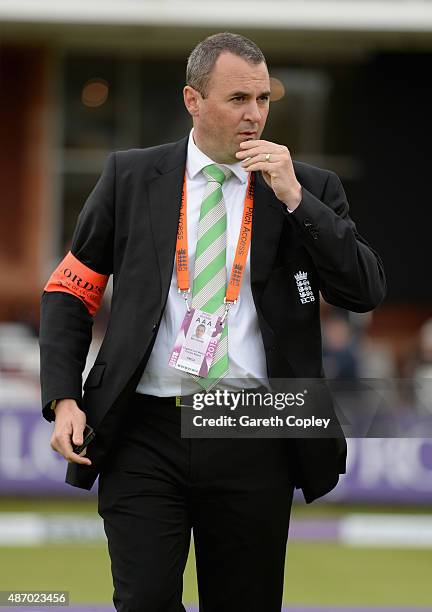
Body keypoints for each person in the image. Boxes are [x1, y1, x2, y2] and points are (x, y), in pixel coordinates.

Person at [39, 32, 386, 611]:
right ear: (192, 101)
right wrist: (63, 399)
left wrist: (298, 199)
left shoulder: (308, 187)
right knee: (144, 600)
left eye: (263, 99)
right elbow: (70, 292)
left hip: (255, 429)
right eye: (237, 100)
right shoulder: (131, 177)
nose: (254, 115)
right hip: (144, 428)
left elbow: (365, 289)